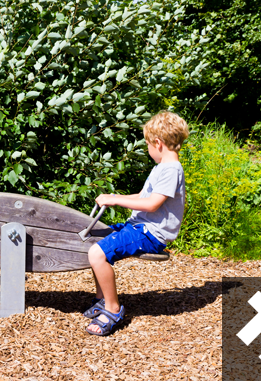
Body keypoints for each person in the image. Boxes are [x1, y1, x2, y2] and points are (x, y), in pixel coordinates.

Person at [84, 111, 189, 336]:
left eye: (148, 145)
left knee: (96, 254)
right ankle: (102, 299)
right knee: (99, 242)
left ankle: (112, 309)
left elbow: (151, 204)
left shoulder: (171, 170)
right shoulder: (162, 168)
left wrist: (114, 200)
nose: (148, 150)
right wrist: (114, 198)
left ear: (158, 143)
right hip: (141, 227)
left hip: (150, 233)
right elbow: (142, 197)